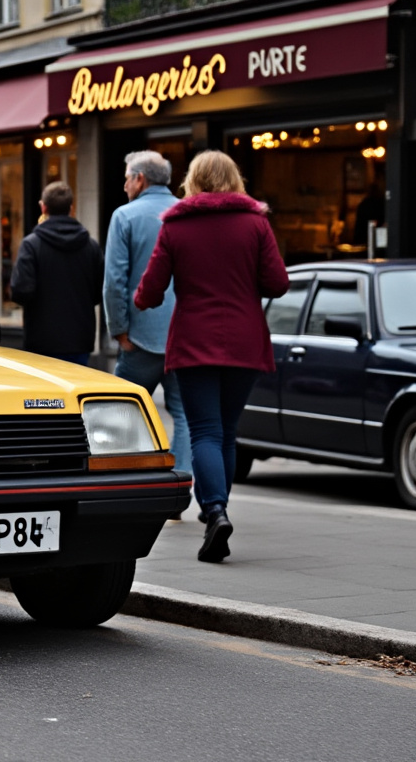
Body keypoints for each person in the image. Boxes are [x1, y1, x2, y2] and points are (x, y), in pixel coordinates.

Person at [135, 150, 289, 563]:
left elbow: (151, 290)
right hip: (244, 340)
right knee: (226, 429)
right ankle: (216, 509)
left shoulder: (176, 225)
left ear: (194, 181)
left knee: (204, 429)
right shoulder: (256, 222)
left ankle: (215, 510)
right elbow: (277, 282)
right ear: (234, 179)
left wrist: (139, 300)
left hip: (193, 341)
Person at [103, 151, 191, 508]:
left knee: (122, 411)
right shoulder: (186, 213)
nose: (124, 184)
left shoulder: (124, 216)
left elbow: (114, 282)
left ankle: (122, 487)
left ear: (140, 179)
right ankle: (180, 492)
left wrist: (120, 331)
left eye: (127, 177)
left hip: (140, 336)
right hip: (184, 333)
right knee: (184, 414)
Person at [10, 181, 103, 365]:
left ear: (43, 207)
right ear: (71, 208)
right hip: (79, 339)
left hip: (41, 340)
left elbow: (20, 291)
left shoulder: (31, 245)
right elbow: (99, 292)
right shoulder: (90, 246)